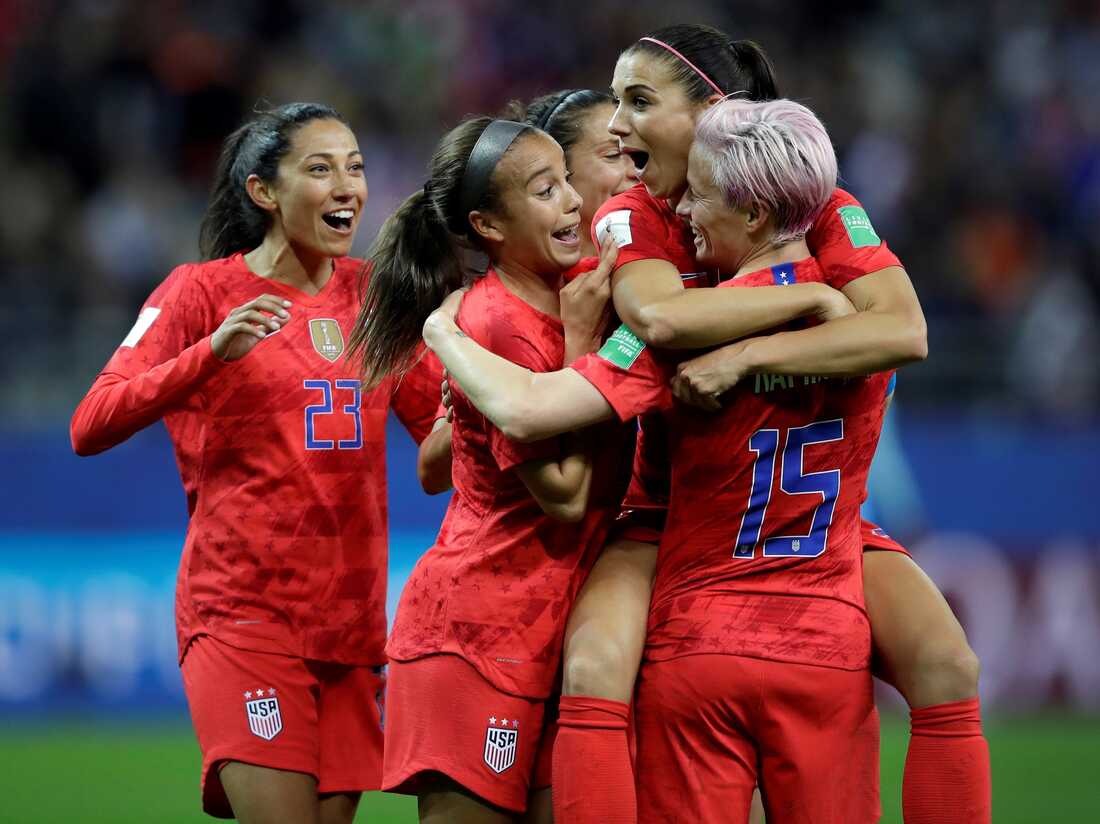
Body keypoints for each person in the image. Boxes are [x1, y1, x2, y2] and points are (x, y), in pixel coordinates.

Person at [423, 95, 888, 822]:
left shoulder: (678, 327)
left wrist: (446, 338)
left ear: (754, 210)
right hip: (824, 634)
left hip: (695, 629)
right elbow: (901, 330)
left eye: (695, 194)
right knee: (948, 670)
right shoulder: (864, 318)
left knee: (595, 669)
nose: (675, 209)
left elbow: (531, 415)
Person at [600, 25, 987, 824]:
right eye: (613, 104)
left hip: (787, 511)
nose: (616, 128)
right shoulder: (632, 213)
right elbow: (659, 318)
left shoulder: (818, 201)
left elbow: (904, 332)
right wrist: (808, 301)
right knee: (591, 665)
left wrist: (748, 358)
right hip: (662, 511)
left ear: (714, 112)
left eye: (639, 102)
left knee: (948, 663)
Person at [70, 103, 442, 823]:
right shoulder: (200, 293)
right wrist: (207, 355)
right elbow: (91, 423)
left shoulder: (374, 297)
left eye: (356, 168)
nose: (347, 187)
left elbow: (440, 444)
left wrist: (484, 360)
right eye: (320, 168)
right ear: (263, 192)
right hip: (242, 613)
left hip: (351, 624)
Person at [349, 115, 630, 823]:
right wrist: (585, 346)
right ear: (490, 226)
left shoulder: (554, 297)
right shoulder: (501, 320)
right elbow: (564, 496)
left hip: (544, 636)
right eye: (545, 190)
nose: (572, 201)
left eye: (568, 180)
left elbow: (436, 462)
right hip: (476, 637)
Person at [415, 88, 638, 497]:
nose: (635, 168)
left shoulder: (641, 274)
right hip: (543, 547)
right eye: (613, 155)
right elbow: (432, 469)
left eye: (636, 151)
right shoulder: (503, 308)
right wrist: (481, 399)